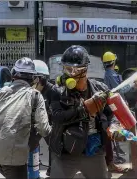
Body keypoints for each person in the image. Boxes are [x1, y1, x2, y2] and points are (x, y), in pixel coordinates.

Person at [49, 45, 128, 178]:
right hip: (66, 154)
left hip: (94, 153)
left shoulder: (100, 88)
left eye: (73, 70)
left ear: (84, 70)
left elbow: (113, 112)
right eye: (66, 69)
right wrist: (85, 109)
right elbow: (56, 117)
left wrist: (115, 126)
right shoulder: (58, 91)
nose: (68, 74)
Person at [0, 57, 52, 179]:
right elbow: (44, 129)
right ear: (33, 78)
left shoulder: (2, 91)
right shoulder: (35, 95)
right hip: (12, 155)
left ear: (13, 74)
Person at [102, 51, 128, 172]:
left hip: (109, 107)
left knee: (112, 132)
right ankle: (112, 159)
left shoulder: (107, 74)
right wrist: (132, 85)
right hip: (113, 107)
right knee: (114, 131)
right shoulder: (111, 75)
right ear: (113, 62)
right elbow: (120, 90)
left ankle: (112, 156)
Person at [32, 59, 54, 176]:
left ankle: (52, 170)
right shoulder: (31, 92)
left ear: (42, 79)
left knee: (54, 146)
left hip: (49, 124)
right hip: (36, 124)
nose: (31, 82)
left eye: (34, 79)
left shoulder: (52, 91)